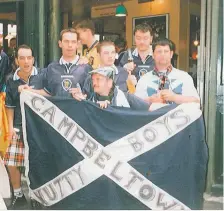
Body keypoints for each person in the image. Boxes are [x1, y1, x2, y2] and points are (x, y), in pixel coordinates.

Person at [3, 45, 42, 209]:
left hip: (39, 127)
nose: (26, 61)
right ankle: (18, 194)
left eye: (29, 58)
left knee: (37, 162)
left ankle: (36, 196)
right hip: (19, 125)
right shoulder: (10, 79)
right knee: (12, 161)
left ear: (33, 59)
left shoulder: (42, 75)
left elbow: (51, 94)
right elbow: (9, 106)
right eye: (22, 58)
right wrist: (10, 128)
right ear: (17, 60)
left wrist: (31, 92)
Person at [20, 28, 92, 97]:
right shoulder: (52, 68)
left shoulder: (86, 68)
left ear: (78, 44)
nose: (70, 45)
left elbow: (92, 96)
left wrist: (82, 96)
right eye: (66, 41)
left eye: (73, 42)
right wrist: (29, 90)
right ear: (60, 43)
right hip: (57, 109)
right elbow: (49, 93)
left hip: (78, 109)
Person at [135, 38, 200, 105]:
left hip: (178, 115)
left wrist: (174, 97)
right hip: (153, 115)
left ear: (171, 54)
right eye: (159, 51)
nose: (162, 54)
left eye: (166, 51)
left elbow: (196, 101)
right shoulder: (144, 79)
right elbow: (136, 103)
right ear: (153, 55)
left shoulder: (184, 77)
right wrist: (149, 100)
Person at [73, 67, 151, 111]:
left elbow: (150, 108)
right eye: (93, 80)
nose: (94, 83)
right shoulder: (89, 100)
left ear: (110, 82)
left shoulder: (127, 97)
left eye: (98, 79)